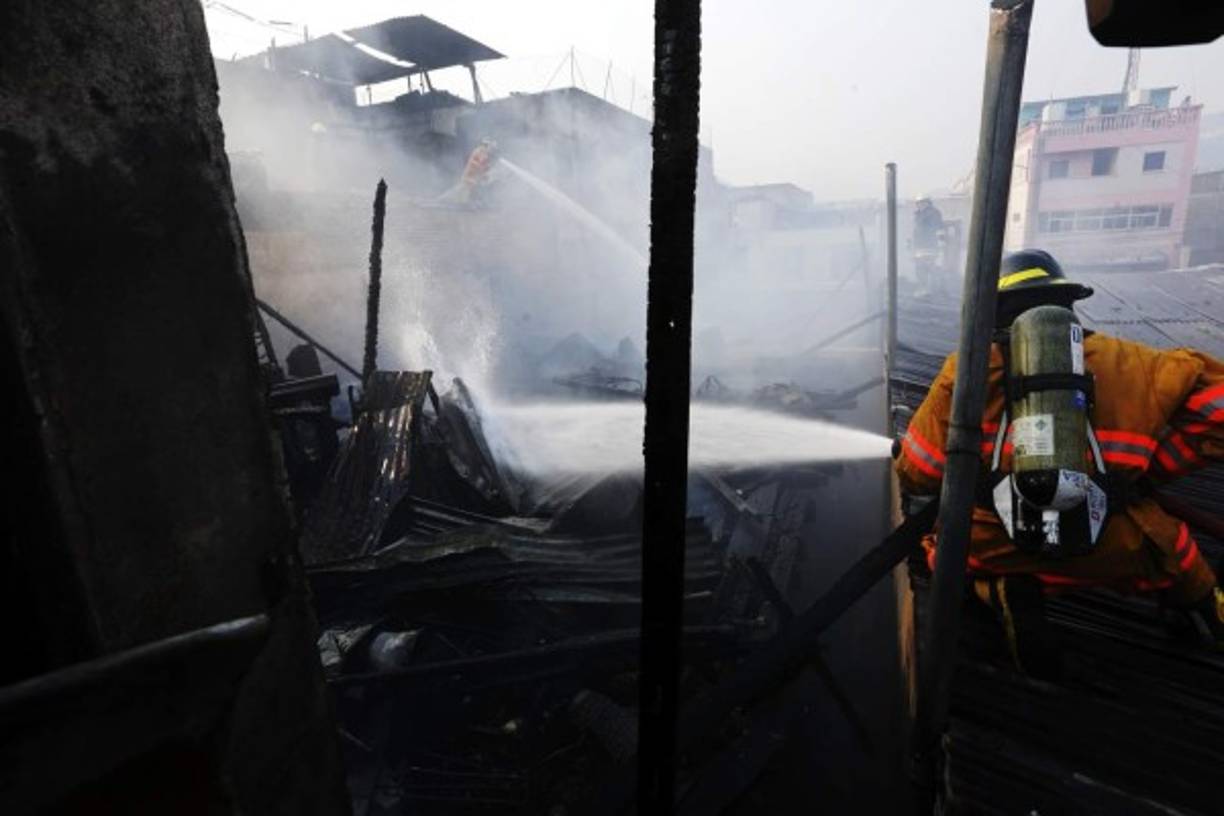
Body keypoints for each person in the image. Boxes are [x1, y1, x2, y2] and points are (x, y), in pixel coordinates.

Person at [895, 249, 1224, 673]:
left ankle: (1000, 590)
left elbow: (921, 474)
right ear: (1067, 301)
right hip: (1115, 541)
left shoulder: (968, 370)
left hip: (999, 545)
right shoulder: (1137, 362)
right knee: (1174, 555)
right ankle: (1205, 616)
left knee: (943, 552)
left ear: (991, 310)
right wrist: (1152, 469)